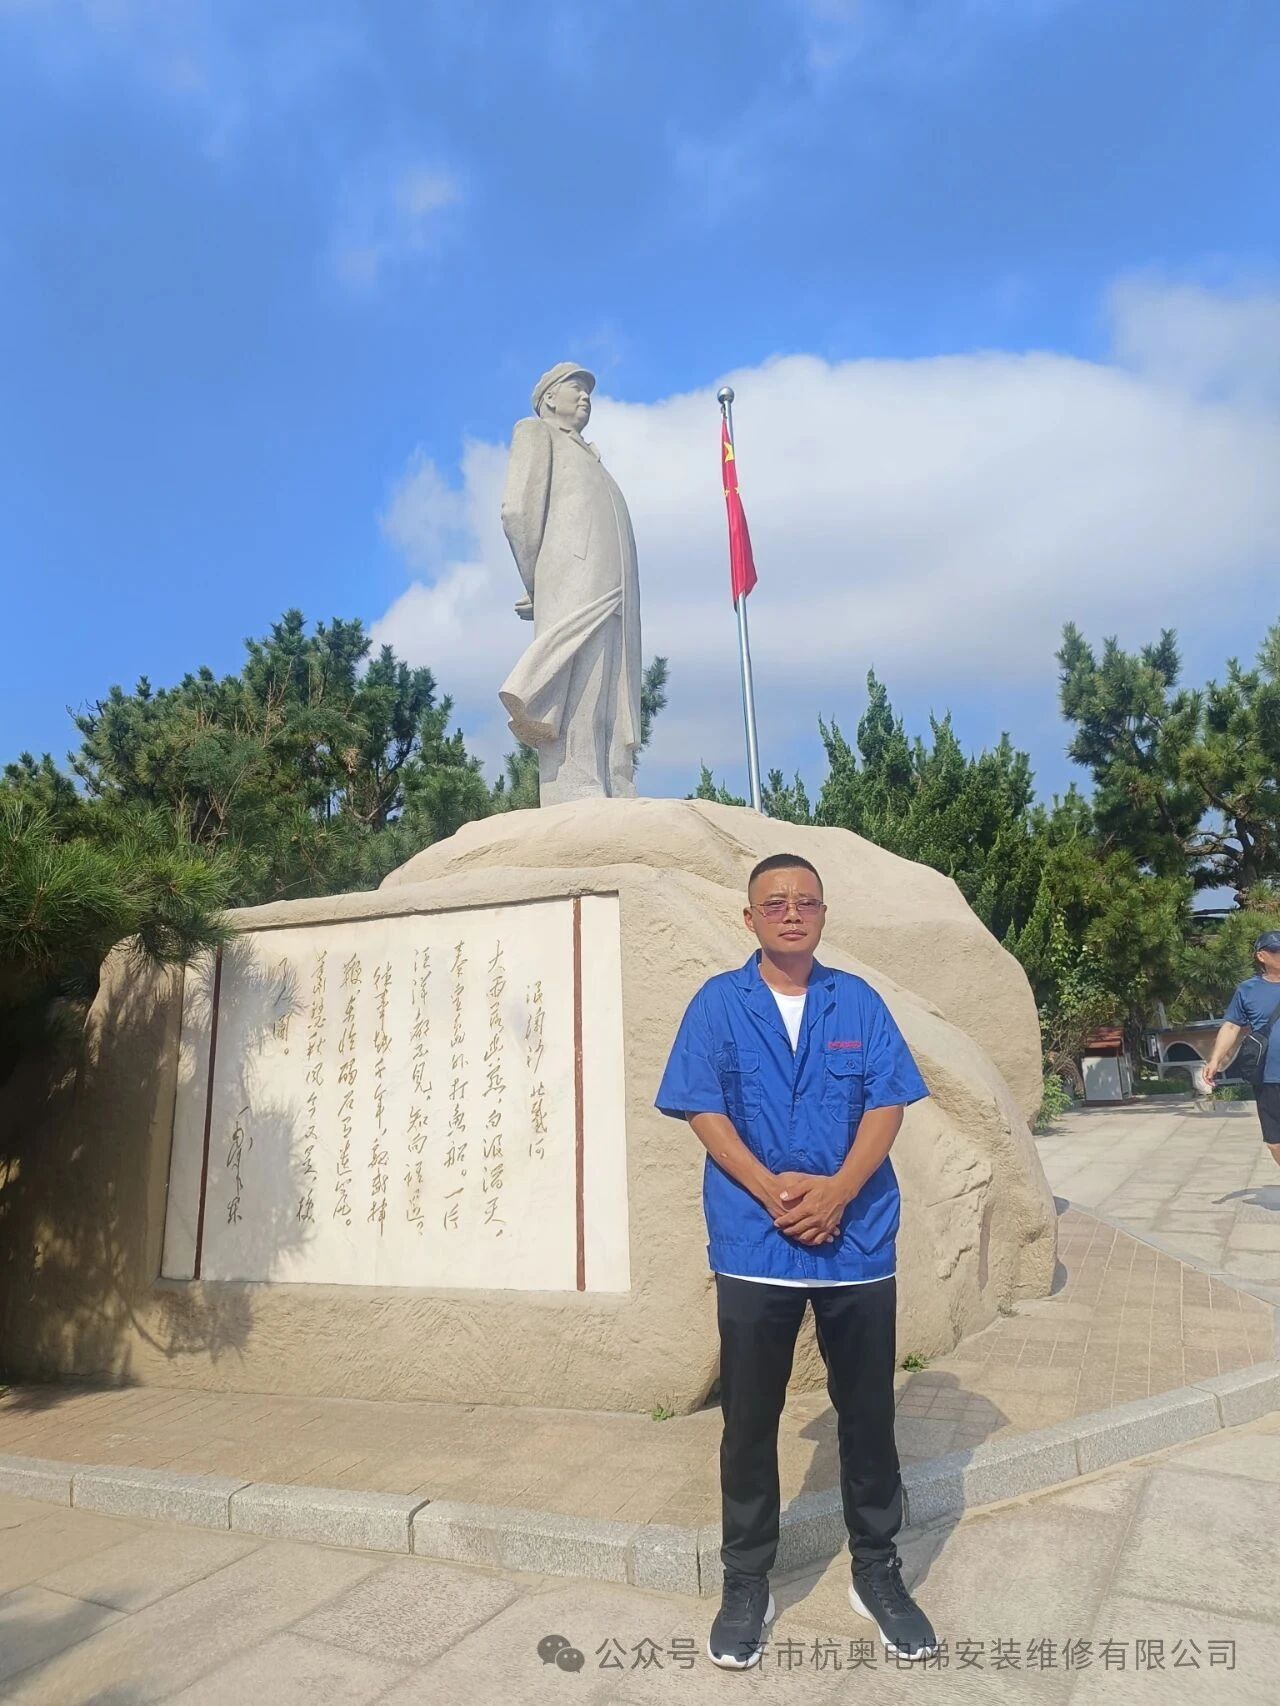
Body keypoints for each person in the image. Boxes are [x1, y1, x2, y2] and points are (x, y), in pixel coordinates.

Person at [654, 852, 938, 1669]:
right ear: (749, 918)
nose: (790, 913)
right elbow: (703, 1108)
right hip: (755, 1240)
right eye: (774, 902)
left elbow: (887, 1102)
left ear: (822, 915)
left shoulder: (858, 1002)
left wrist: (839, 1191)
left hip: (856, 1240)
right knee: (749, 1422)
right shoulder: (718, 1004)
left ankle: (877, 1572)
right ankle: (747, 1580)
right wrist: (772, 1191)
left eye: (805, 902)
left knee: (868, 1417)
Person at [497, 362, 642, 805]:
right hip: (572, 579)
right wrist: (537, 583)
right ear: (548, 398)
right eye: (575, 388)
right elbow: (518, 513)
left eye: (588, 391)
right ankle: (575, 785)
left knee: (613, 684)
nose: (585, 397)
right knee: (578, 680)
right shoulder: (536, 433)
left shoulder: (594, 459)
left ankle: (616, 779)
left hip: (613, 585)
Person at [1201, 930, 1280, 1168]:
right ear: (1261, 956)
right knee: (1274, 1142)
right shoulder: (1248, 990)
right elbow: (1231, 1027)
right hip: (1268, 1076)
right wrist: (1215, 1060)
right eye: (1277, 951)